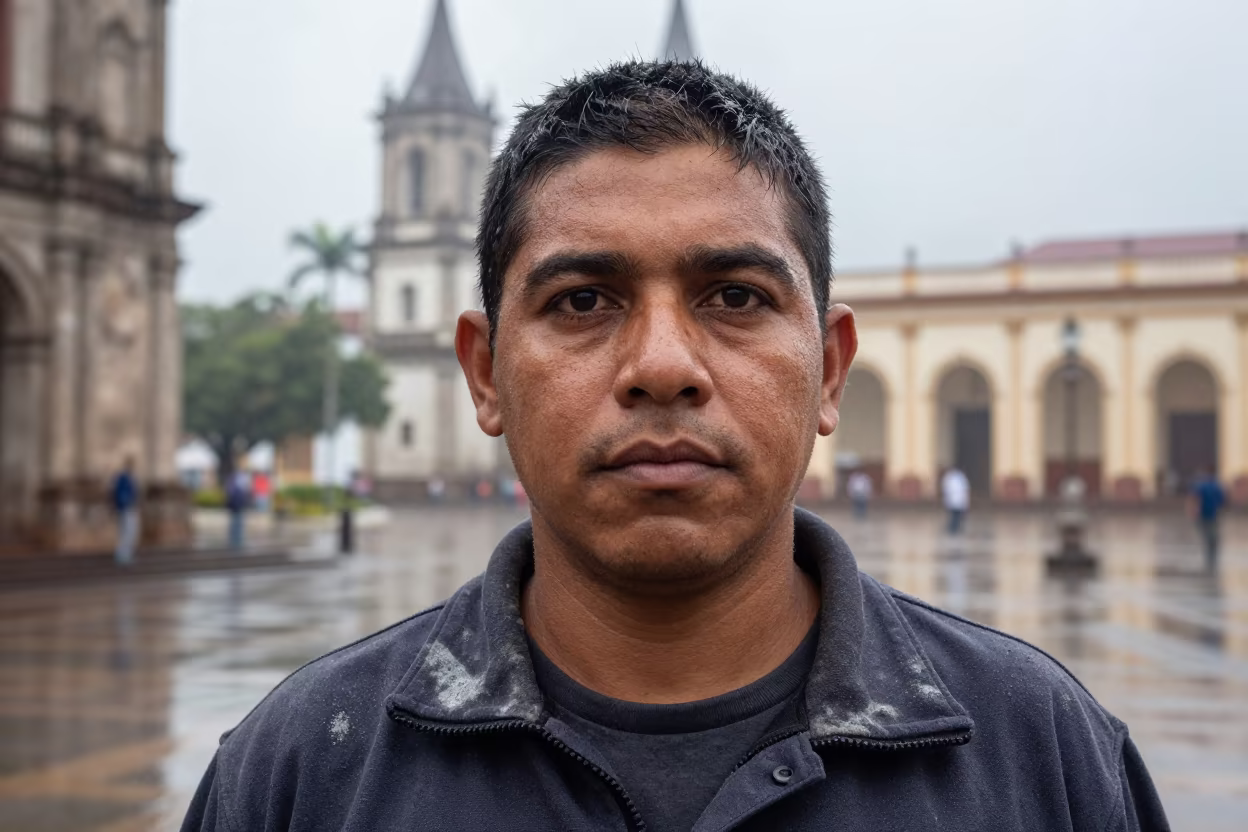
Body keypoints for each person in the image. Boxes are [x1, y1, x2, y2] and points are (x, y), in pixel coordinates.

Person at [183, 61, 1167, 831]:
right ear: (485, 372)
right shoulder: (304, 768)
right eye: (582, 301)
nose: (662, 365)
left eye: (735, 297)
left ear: (829, 369)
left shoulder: (1044, 751)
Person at [1188, 468, 1226, 570]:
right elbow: (1222, 501)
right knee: (1213, 536)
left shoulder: (1201, 485)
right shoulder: (1217, 486)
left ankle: (1209, 557)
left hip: (1203, 515)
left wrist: (1193, 511)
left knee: (1206, 536)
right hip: (1213, 515)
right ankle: (1212, 557)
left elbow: (1195, 498)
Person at [110, 457, 139, 566]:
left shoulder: (131, 477)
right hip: (125, 508)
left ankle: (127, 554)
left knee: (130, 532)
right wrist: (125, 503)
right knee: (125, 532)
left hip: (130, 508)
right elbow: (119, 493)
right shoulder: (123, 477)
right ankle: (122, 555)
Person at [942, 465, 971, 535]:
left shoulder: (959, 477)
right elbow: (945, 489)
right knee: (954, 516)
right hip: (953, 500)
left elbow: (965, 489)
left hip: (957, 500)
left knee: (957, 516)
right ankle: (953, 529)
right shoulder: (950, 477)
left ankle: (954, 528)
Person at [224, 471, 249, 551]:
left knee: (236, 525)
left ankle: (235, 541)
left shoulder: (233, 487)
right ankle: (235, 542)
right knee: (236, 525)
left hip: (235, 509)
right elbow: (236, 499)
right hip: (236, 509)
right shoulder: (236, 488)